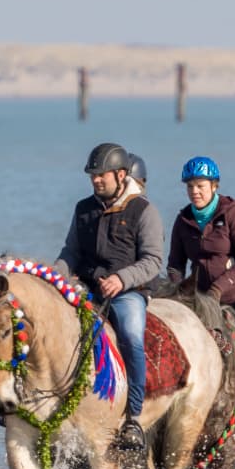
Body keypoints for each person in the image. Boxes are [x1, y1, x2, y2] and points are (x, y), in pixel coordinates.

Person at [54, 142, 164, 450]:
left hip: (127, 292)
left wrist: (122, 279)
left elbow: (153, 260)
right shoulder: (83, 208)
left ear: (120, 174)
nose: (96, 180)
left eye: (101, 175)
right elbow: (70, 252)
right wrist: (52, 276)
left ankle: (133, 417)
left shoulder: (144, 211)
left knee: (131, 335)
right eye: (92, 176)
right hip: (87, 288)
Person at [165, 156, 235, 322]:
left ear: (214, 186)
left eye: (200, 186)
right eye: (190, 186)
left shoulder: (233, 213)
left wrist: (218, 288)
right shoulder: (183, 220)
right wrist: (178, 293)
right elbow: (175, 265)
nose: (194, 191)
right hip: (202, 298)